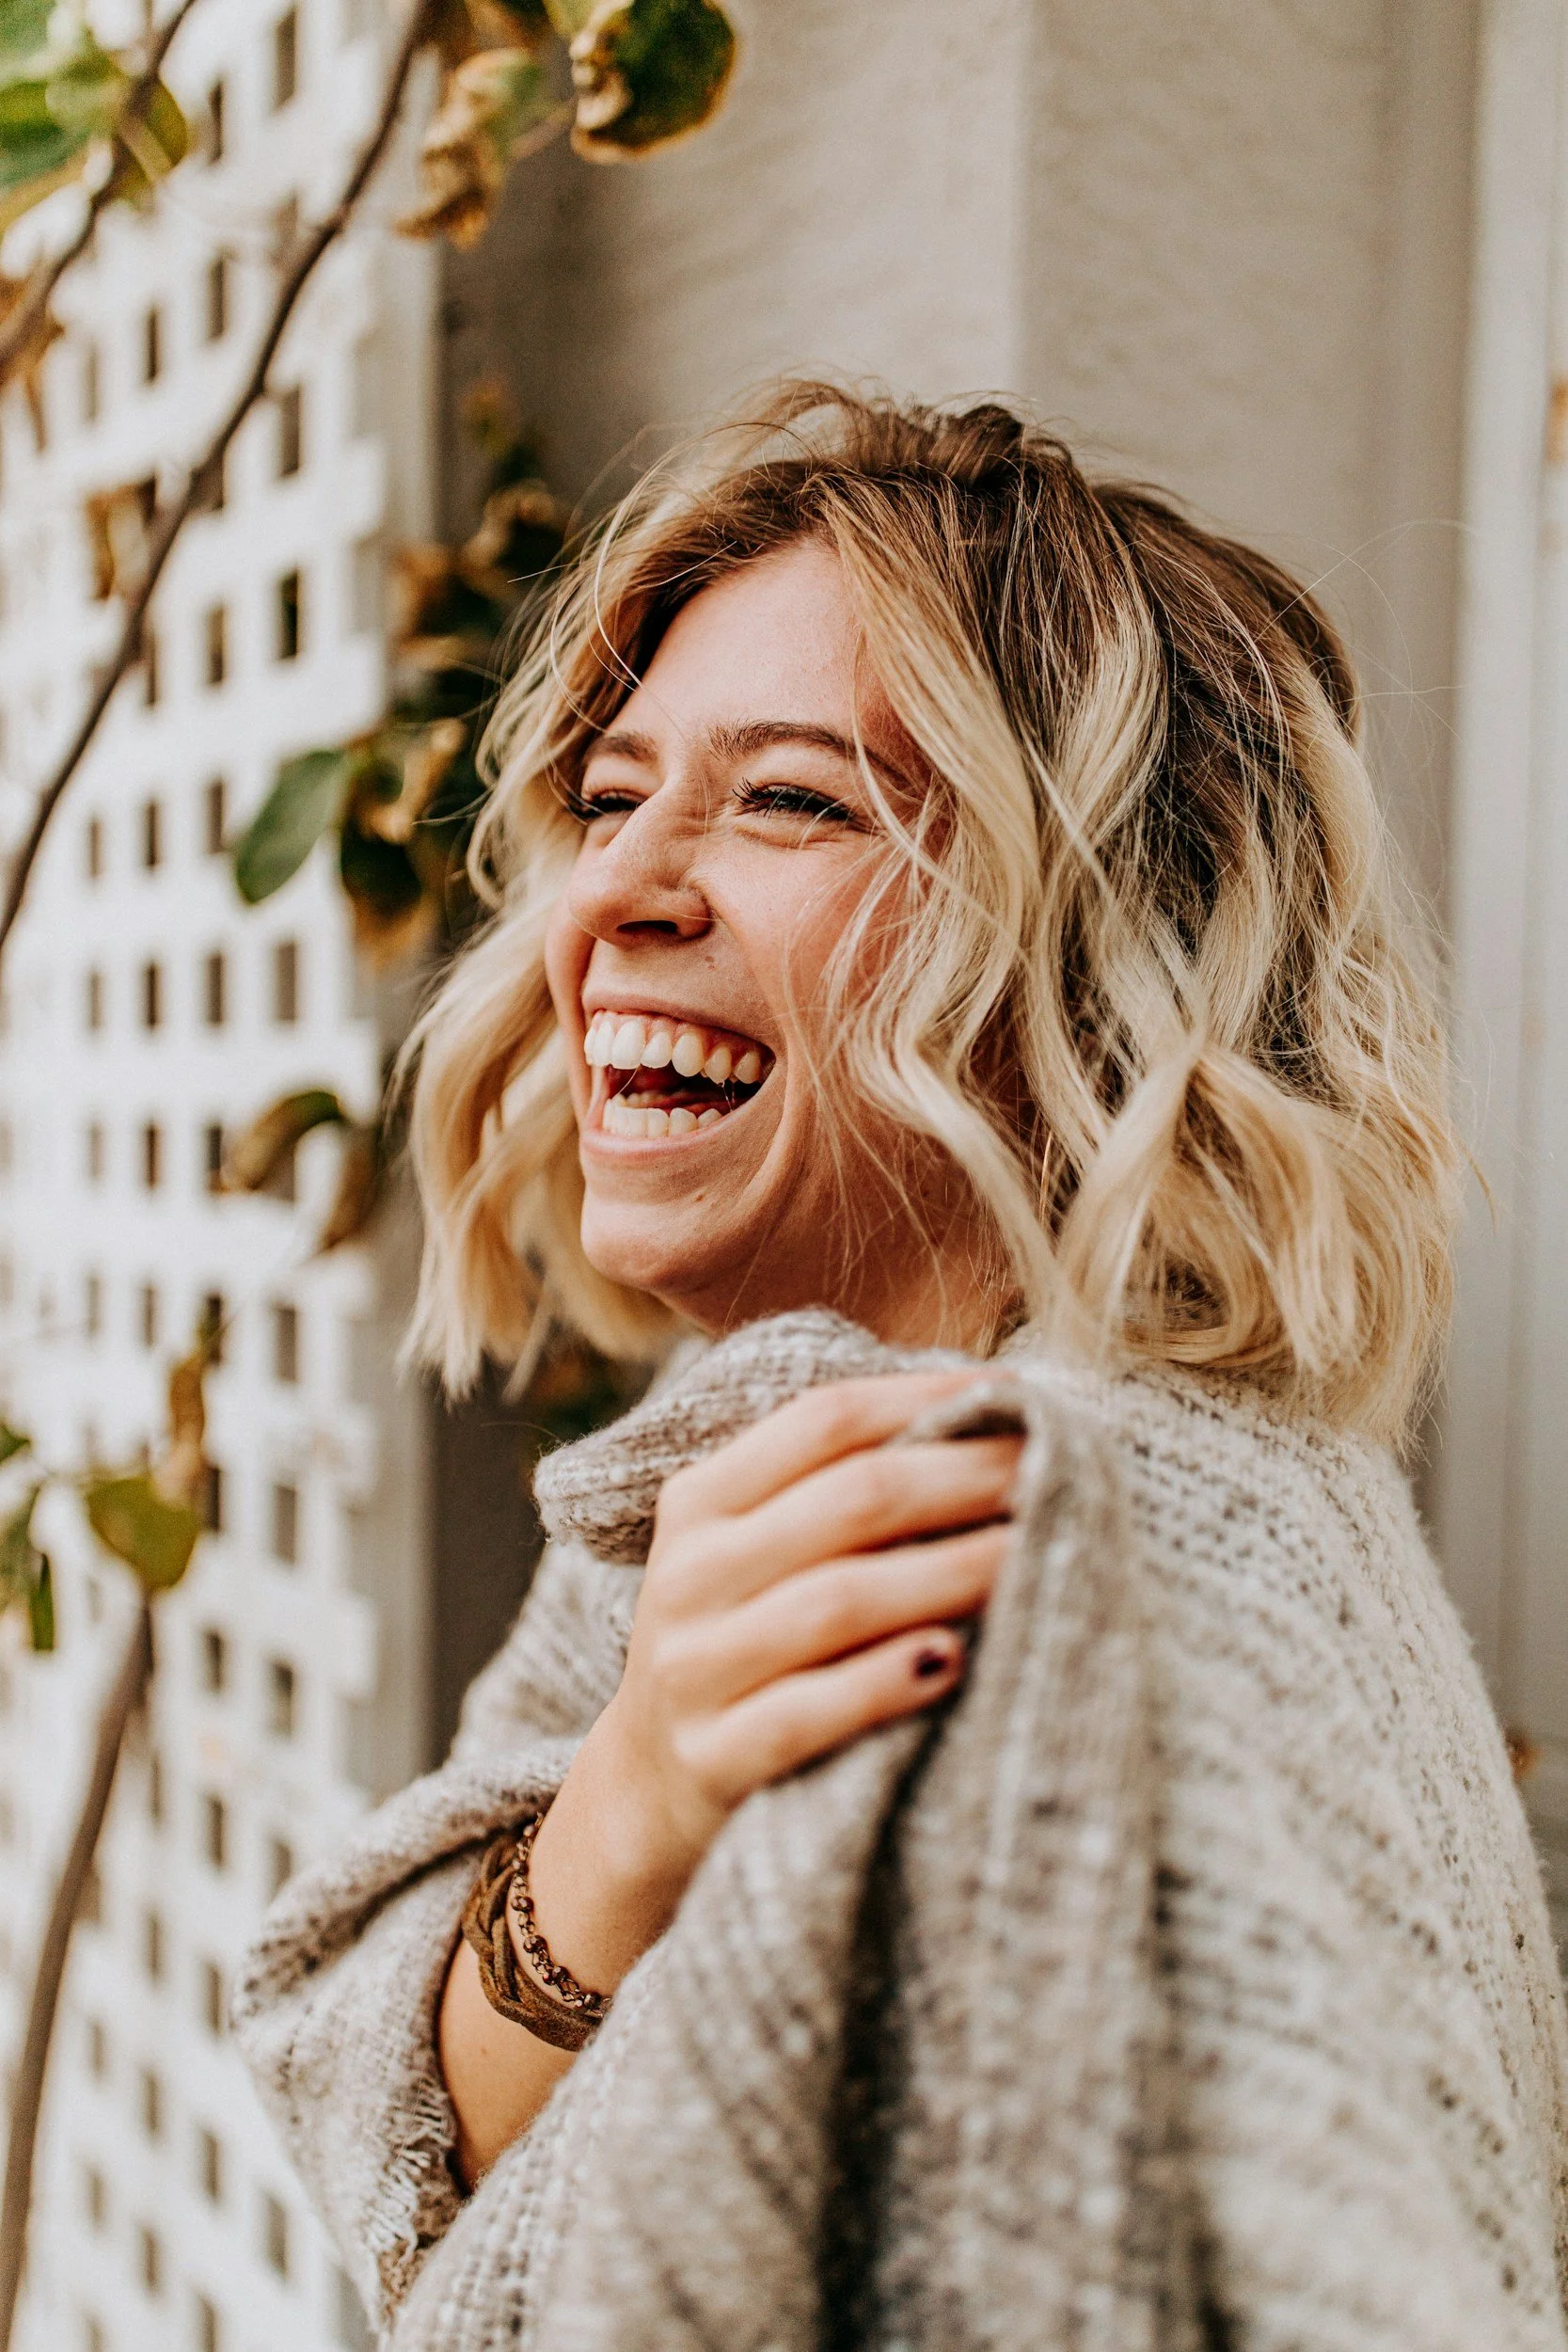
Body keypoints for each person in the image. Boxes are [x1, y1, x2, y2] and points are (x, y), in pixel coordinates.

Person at [235, 384, 1568, 2352]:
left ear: (1117, 938)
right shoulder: (730, 1497)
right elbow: (412, 2143)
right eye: (608, 799)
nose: (607, 895)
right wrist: (633, 1793)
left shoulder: (1051, 1561)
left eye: (789, 798)